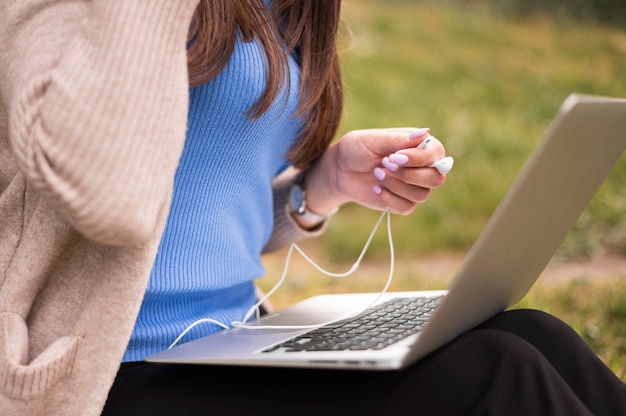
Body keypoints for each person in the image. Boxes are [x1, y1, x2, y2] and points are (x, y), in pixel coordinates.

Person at [0, 1, 624, 415]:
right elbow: (110, 204)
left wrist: (321, 184)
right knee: (497, 372)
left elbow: (200, 208)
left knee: (535, 333)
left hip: (232, 343)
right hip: (110, 375)